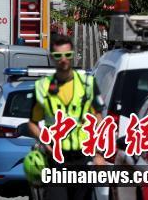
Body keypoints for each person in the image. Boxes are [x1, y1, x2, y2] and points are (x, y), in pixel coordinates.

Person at [25, 33, 105, 200]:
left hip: (83, 159)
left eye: (67, 55)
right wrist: (44, 140)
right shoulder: (42, 87)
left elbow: (98, 119)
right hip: (55, 160)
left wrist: (99, 153)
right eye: (58, 56)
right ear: (52, 58)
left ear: (73, 55)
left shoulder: (88, 84)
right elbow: (32, 123)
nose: (63, 59)